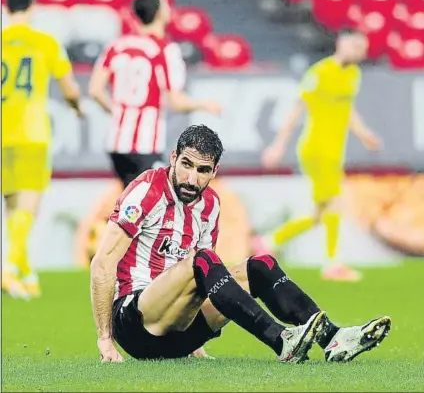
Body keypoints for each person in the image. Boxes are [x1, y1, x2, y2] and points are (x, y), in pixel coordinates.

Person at [90, 124, 391, 363]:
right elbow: (103, 262)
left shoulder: (210, 205)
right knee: (202, 259)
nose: (191, 179)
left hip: (180, 335)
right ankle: (281, 339)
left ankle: (336, 338)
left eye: (203, 170)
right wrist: (105, 338)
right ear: (173, 158)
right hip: (136, 325)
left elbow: (204, 285)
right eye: (186, 165)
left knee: (261, 265)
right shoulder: (145, 191)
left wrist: (195, 345)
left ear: (214, 171)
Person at [259, 28, 383, 282]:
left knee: (319, 214)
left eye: (363, 49)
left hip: (335, 150)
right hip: (316, 148)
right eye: (357, 47)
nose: (361, 53)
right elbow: (296, 111)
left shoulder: (353, 74)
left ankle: (269, 240)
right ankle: (333, 264)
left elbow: (346, 109)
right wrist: (278, 145)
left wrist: (364, 134)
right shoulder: (319, 72)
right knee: (336, 204)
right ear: (342, 43)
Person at [88, 0, 221, 189]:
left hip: (116, 143)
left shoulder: (116, 46)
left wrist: (117, 113)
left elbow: (95, 90)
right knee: (155, 203)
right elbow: (175, 101)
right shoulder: (165, 50)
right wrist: (204, 104)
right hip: (145, 143)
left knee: (132, 202)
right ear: (160, 13)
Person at [1, 0, 83, 299]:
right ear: (32, 7)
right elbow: (70, 88)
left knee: (12, 207)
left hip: (2, 133)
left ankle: (27, 275)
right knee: (29, 206)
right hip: (31, 133)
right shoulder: (45, 42)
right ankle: (9, 267)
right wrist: (77, 108)